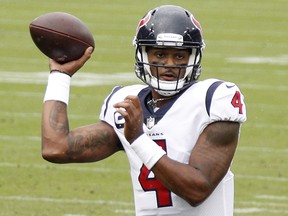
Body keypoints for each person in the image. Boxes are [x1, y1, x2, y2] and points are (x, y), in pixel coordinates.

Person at [41, 5, 247, 216]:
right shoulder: (127, 103)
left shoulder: (213, 99)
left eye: (179, 56)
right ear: (143, 55)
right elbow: (56, 147)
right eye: (159, 54)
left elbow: (197, 189)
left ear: (193, 58)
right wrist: (60, 76)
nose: (169, 64)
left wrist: (138, 139)